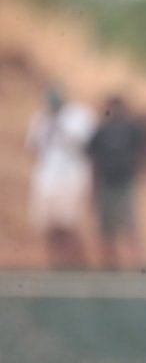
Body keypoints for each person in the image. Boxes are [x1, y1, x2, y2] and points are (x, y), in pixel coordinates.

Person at [26, 84, 96, 268]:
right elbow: (32, 147)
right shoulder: (41, 119)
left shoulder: (78, 115)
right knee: (49, 227)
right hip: (46, 179)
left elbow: (85, 143)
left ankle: (77, 266)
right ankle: (56, 266)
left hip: (72, 177)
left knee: (70, 225)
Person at [87, 94, 146, 269]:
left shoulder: (132, 129)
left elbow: (142, 152)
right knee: (107, 230)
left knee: (130, 227)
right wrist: (93, 189)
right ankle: (110, 267)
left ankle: (139, 267)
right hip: (107, 184)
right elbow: (93, 161)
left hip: (125, 184)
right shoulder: (101, 131)